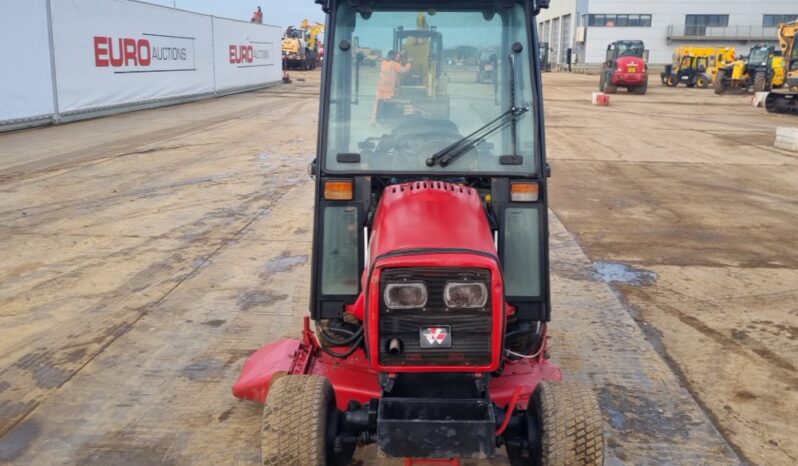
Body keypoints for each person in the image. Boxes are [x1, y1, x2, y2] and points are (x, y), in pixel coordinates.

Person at [372, 50, 412, 124]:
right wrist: (409, 62)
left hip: (380, 88)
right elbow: (404, 70)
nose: (397, 57)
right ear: (393, 56)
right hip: (389, 90)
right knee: (389, 105)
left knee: (377, 104)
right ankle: (387, 120)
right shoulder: (394, 65)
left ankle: (374, 121)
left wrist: (399, 55)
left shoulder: (383, 63)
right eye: (396, 56)